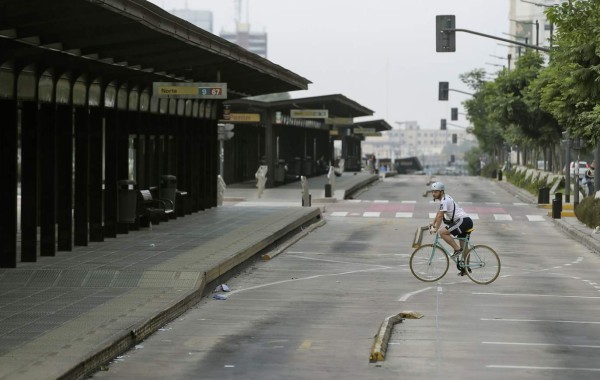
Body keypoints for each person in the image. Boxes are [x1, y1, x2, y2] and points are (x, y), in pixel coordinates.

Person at [428, 181, 474, 276]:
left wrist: (436, 229)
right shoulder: (445, 198)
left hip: (463, 221)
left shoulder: (444, 200)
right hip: (466, 221)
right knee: (464, 246)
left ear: (441, 191)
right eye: (432, 192)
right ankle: (466, 267)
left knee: (442, 232)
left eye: (436, 192)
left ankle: (457, 250)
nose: (433, 194)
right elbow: (439, 213)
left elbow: (440, 216)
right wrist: (433, 223)